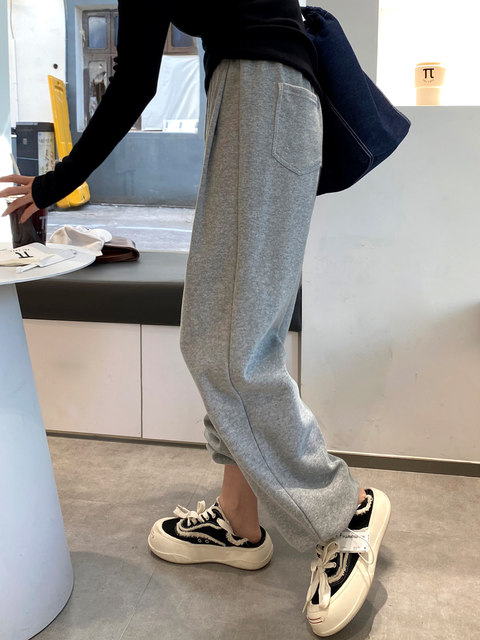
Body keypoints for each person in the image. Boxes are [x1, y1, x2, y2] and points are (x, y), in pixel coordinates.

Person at [0, 1, 391, 635]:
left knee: (231, 348)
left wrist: (54, 182)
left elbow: (135, 80)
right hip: (254, 93)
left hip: (260, 94)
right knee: (221, 330)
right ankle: (239, 518)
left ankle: (344, 511)